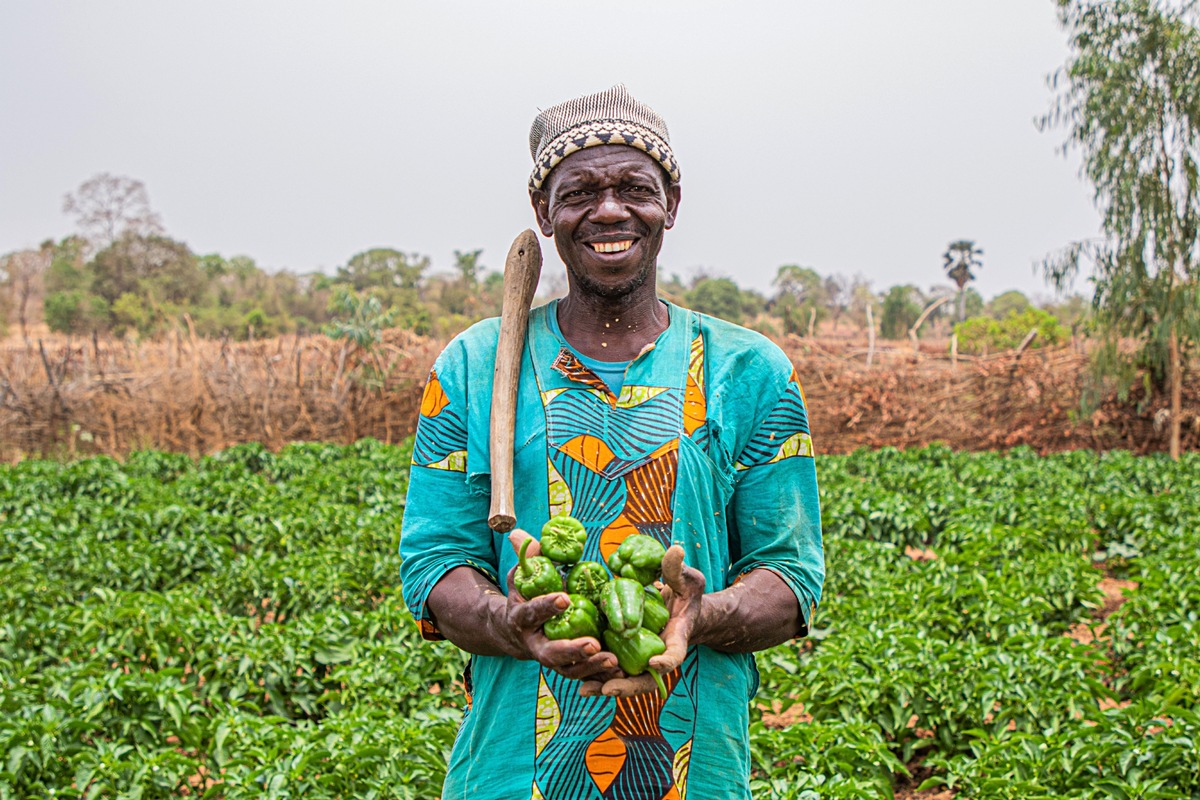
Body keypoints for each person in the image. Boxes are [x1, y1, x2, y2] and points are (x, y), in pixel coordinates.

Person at [400, 84, 824, 800]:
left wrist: (700, 611)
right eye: (579, 192)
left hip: (694, 772)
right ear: (544, 213)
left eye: (635, 187)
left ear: (672, 205)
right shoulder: (474, 369)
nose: (608, 211)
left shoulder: (749, 372)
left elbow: (791, 580)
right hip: (511, 770)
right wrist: (512, 621)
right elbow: (435, 566)